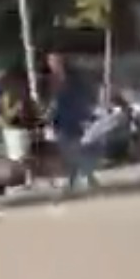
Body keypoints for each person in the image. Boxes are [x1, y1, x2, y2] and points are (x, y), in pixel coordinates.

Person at [45, 52, 99, 193]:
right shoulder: (51, 80)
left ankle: (85, 177)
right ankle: (77, 178)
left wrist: (87, 113)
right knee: (68, 152)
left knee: (75, 150)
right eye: (51, 62)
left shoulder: (74, 79)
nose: (53, 65)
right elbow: (52, 101)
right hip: (61, 120)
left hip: (74, 118)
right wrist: (49, 115)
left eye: (56, 61)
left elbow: (84, 95)